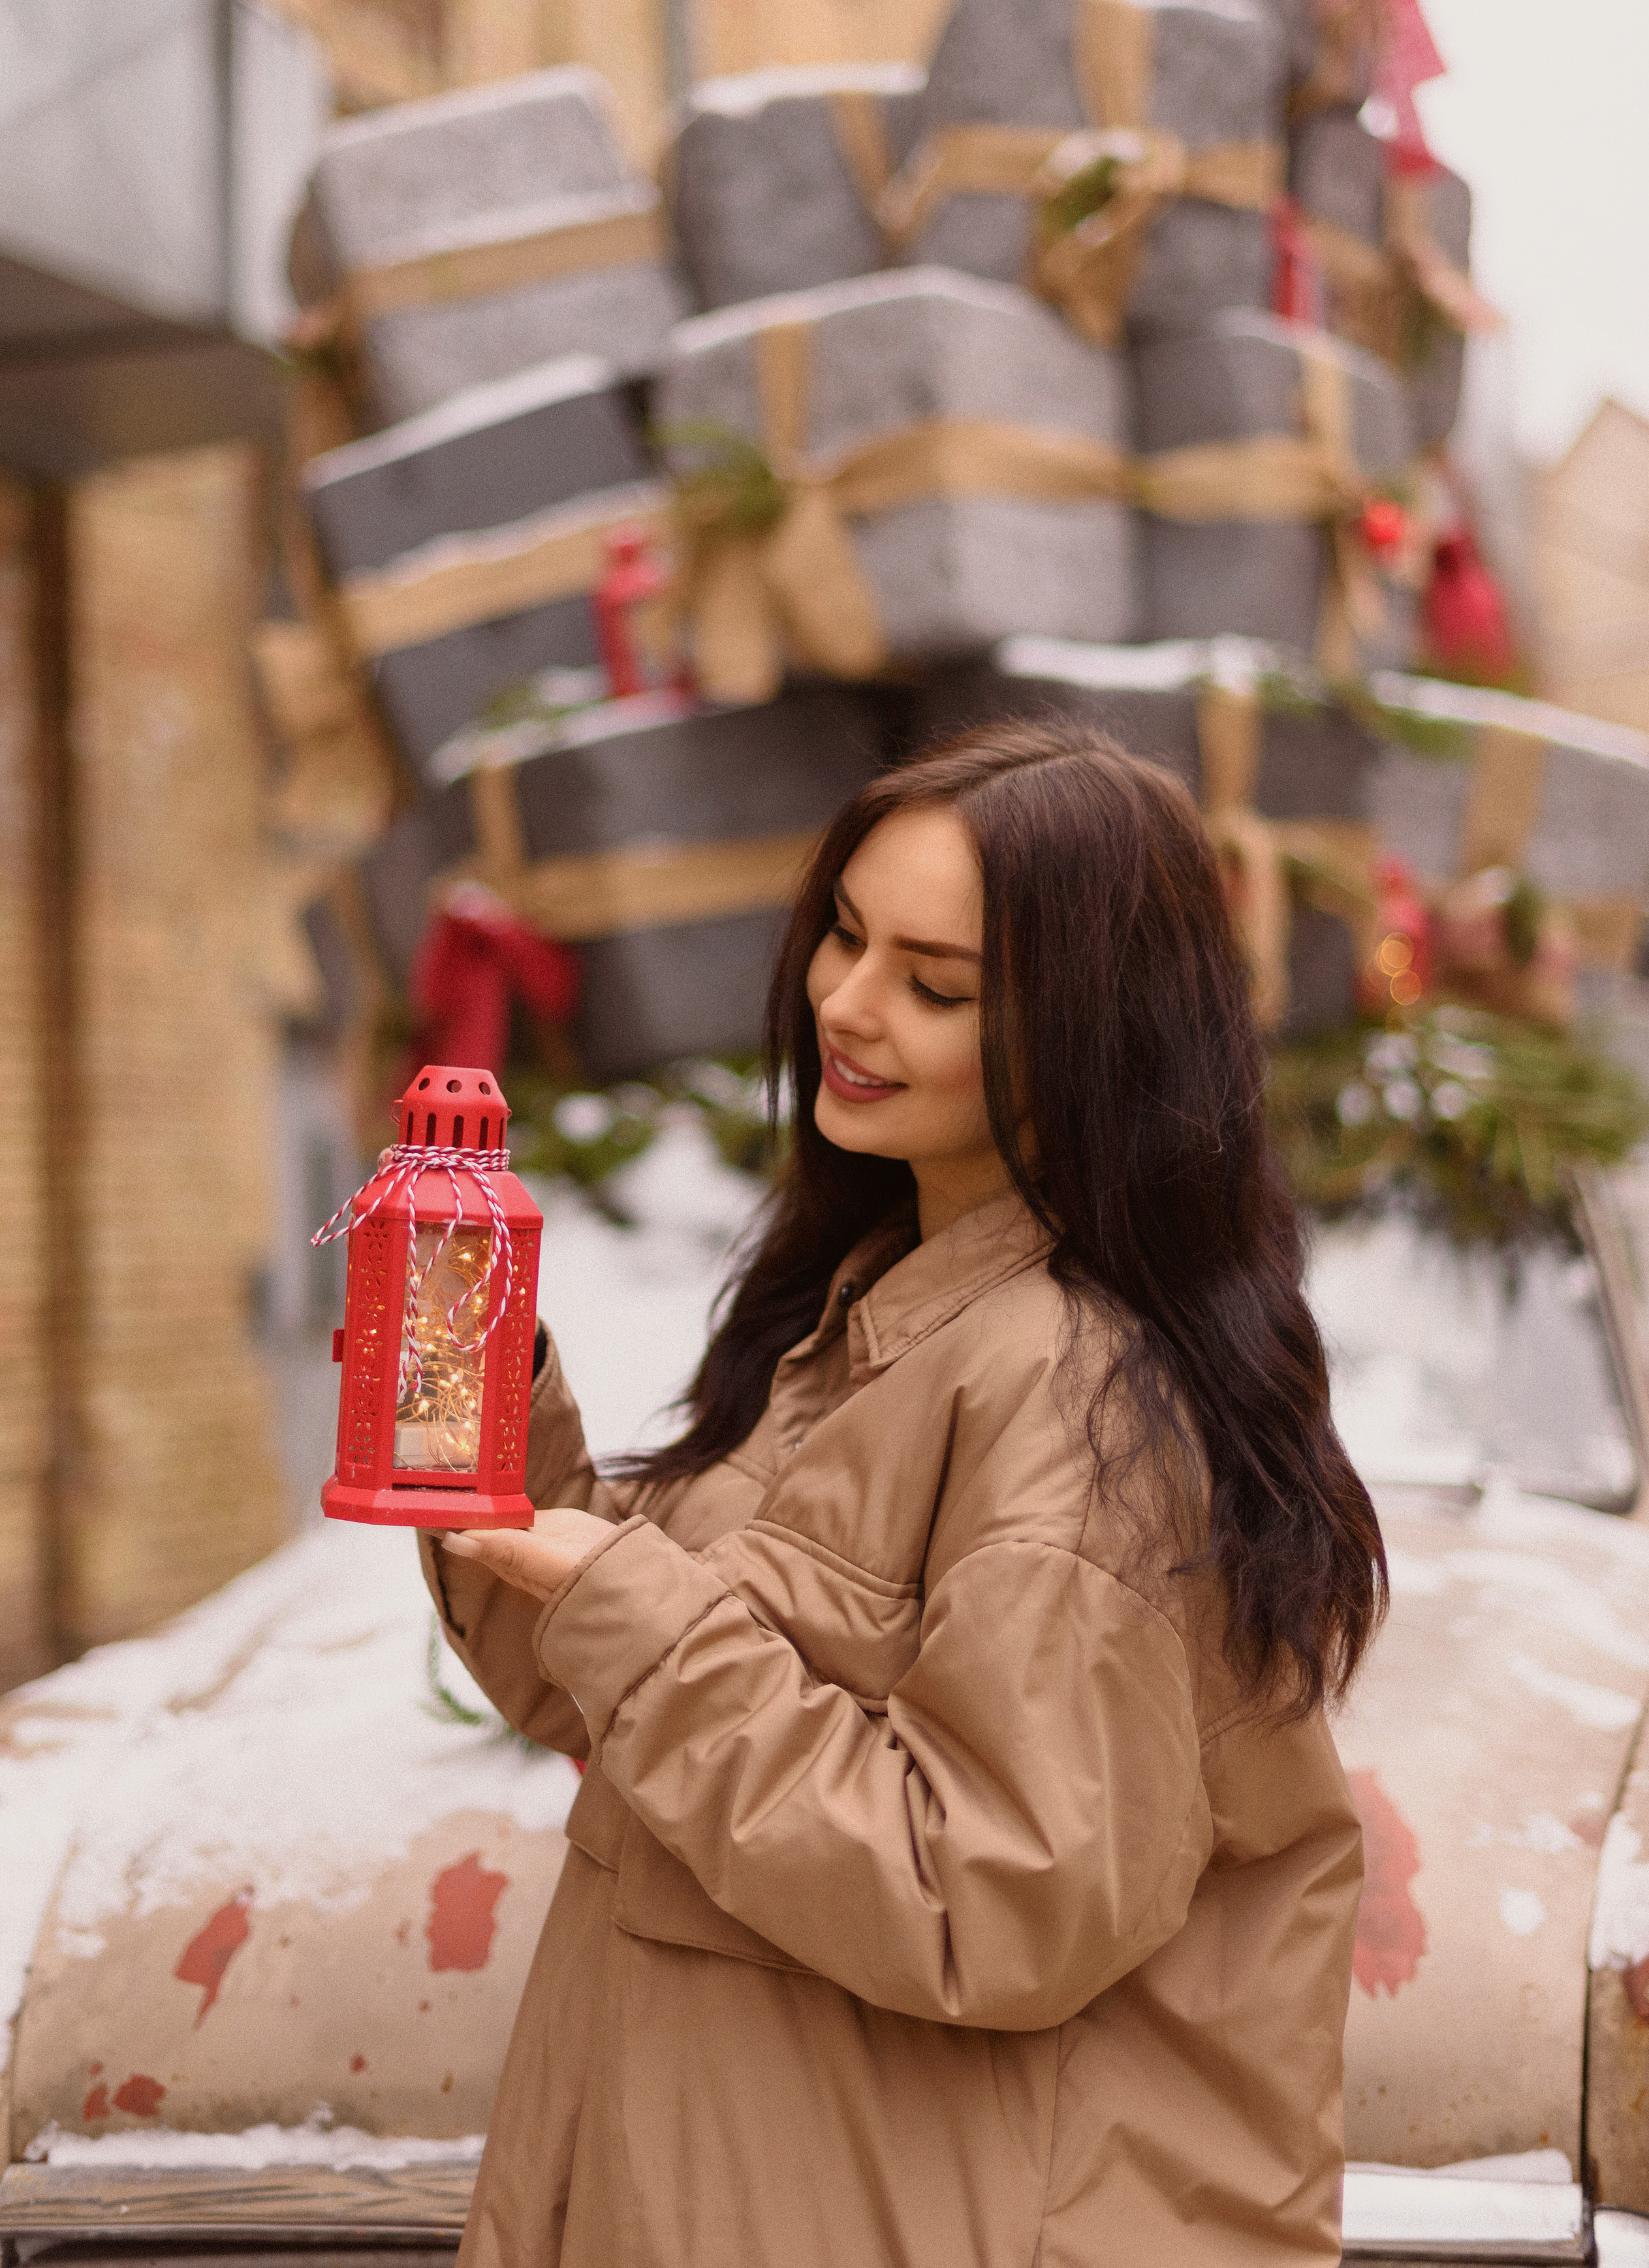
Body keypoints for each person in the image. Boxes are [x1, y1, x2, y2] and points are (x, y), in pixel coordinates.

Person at [423, 720, 1385, 2268]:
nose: (847, 1008)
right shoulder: (881, 1308)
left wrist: (642, 1623)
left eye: (934, 986)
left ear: (1088, 1035)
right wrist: (477, 1419)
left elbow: (993, 1897)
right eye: (845, 939)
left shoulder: (1071, 1395)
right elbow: (627, 1703)